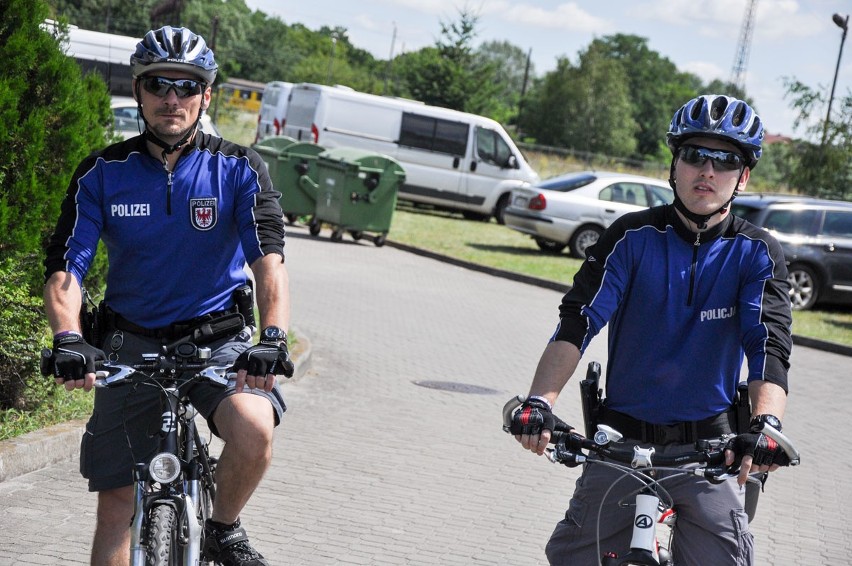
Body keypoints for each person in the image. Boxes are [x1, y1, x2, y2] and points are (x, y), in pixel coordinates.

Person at [43, 26, 292, 566]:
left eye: (187, 86)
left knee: (253, 431)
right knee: (115, 508)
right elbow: (67, 267)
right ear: (139, 91)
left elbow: (268, 263)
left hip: (219, 343)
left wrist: (272, 336)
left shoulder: (239, 168)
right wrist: (68, 337)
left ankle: (224, 529)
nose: (171, 98)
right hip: (129, 347)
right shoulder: (103, 173)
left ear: (206, 95)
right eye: (158, 84)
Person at [509, 94, 793, 565]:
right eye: (694, 154)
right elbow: (577, 323)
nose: (707, 170)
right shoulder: (629, 237)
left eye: (725, 160)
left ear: (743, 176)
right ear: (674, 164)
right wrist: (540, 401)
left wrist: (766, 425)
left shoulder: (757, 251)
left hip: (709, 451)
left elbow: (767, 345)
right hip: (619, 444)